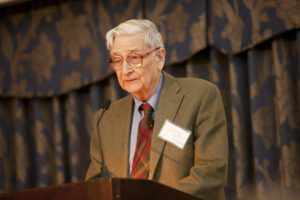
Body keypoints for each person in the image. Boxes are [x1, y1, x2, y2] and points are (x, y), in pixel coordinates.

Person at [85, 19, 228, 200]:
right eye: (117, 61)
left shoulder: (199, 96)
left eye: (134, 58)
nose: (125, 70)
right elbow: (95, 186)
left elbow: (210, 172)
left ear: (159, 57)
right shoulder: (106, 118)